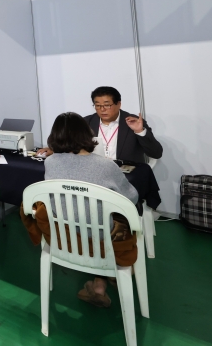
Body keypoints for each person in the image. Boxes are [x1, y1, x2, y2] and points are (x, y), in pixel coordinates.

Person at [36, 112, 139, 308]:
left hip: (67, 237)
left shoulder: (51, 162)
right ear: (86, 134)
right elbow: (131, 198)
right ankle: (113, 274)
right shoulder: (106, 165)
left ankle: (99, 284)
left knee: (90, 218)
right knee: (114, 220)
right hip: (102, 239)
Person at [37, 87, 163, 164]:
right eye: (97, 105)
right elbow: (70, 145)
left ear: (118, 104)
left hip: (124, 173)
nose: (102, 109)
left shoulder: (134, 122)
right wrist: (53, 150)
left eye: (107, 105)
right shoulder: (85, 122)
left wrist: (140, 132)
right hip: (93, 172)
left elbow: (156, 153)